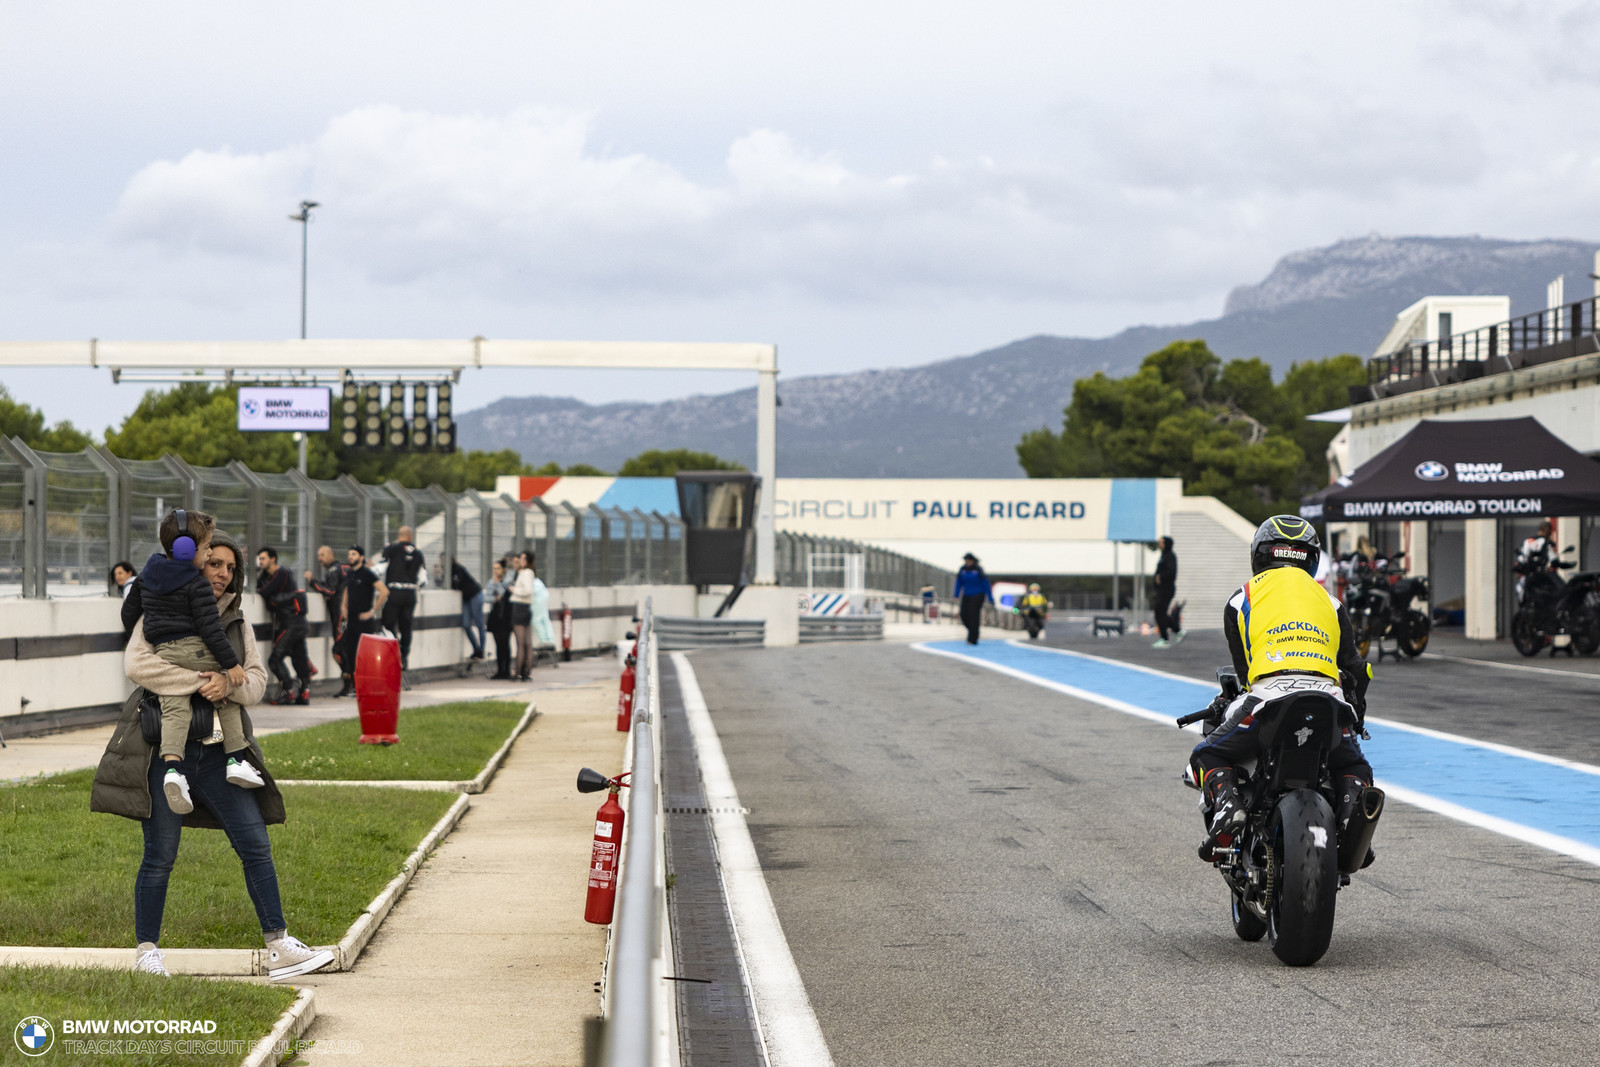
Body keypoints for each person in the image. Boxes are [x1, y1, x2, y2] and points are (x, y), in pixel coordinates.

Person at [91, 529, 336, 982]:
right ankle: (147, 954)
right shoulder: (159, 611)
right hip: (164, 757)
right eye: (214, 564)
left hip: (221, 755)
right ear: (196, 565)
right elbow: (137, 666)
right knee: (160, 855)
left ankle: (279, 945)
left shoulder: (238, 623)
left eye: (229, 567)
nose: (222, 574)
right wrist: (204, 679)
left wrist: (232, 685)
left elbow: (259, 681)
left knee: (256, 846)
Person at [1189, 515, 1377, 862]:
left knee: (1207, 754)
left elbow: (1246, 675)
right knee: (1356, 767)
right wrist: (1357, 719)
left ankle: (1229, 806)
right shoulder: (1331, 603)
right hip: (1329, 699)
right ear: (1312, 558)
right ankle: (1351, 820)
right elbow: (1356, 669)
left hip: (1268, 698)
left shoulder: (1241, 598)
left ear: (1259, 555)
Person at [119, 509, 256, 812]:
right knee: (225, 679)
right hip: (195, 649)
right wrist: (227, 670)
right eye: (210, 554)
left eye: (230, 567)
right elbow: (210, 632)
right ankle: (236, 758)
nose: (213, 563)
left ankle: (173, 769)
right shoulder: (196, 586)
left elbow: (127, 615)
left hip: (165, 649)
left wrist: (152, 621)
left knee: (175, 705)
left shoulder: (146, 578)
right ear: (185, 550)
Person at [257, 547, 313, 706]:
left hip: (292, 623)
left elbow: (266, 592)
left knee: (275, 660)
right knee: (299, 659)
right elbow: (265, 593)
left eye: (263, 558)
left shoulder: (283, 573)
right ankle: (303, 693)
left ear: (273, 559)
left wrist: (268, 594)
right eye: (259, 559)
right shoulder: (265, 576)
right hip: (293, 623)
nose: (260, 562)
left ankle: (289, 691)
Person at [338, 545, 388, 694]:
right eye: (349, 554)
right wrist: (343, 606)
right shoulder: (350, 574)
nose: (350, 557)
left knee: (363, 656)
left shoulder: (367, 574)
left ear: (361, 557)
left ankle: (364, 686)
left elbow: (384, 591)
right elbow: (347, 589)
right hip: (351, 620)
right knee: (343, 650)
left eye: (353, 554)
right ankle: (351, 685)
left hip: (364, 621)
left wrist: (372, 611)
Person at [380, 526, 425, 675]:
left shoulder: (391, 549)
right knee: (406, 626)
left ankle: (395, 649)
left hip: (394, 591)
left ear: (399, 535)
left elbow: (381, 567)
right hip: (410, 593)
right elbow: (423, 578)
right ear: (410, 536)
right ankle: (404, 657)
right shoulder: (418, 553)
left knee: (387, 624)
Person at [305, 544, 347, 683]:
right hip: (342, 616)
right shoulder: (338, 569)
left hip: (341, 616)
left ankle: (351, 683)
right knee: (343, 649)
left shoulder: (334, 570)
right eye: (318, 556)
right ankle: (351, 684)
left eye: (322, 555)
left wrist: (312, 581)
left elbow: (330, 591)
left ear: (331, 555)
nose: (319, 559)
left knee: (339, 650)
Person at [952, 552, 994, 645]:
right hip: (967, 595)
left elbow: (986, 584)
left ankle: (972, 639)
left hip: (978, 595)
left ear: (973, 561)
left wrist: (990, 598)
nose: (967, 562)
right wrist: (956, 595)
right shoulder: (963, 570)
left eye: (969, 560)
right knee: (964, 615)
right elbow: (959, 583)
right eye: (966, 560)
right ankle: (974, 631)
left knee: (973, 615)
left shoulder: (978, 570)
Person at [483, 558, 515, 680]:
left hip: (506, 615)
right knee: (497, 643)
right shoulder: (491, 582)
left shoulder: (508, 581)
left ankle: (507, 669)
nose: (496, 571)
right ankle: (499, 670)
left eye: (498, 568)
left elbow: (503, 594)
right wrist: (496, 592)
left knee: (505, 642)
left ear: (503, 569)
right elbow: (487, 598)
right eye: (494, 569)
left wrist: (498, 589)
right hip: (495, 615)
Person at [1151, 535, 1185, 648]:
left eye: (1161, 542)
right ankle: (1177, 631)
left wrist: (1160, 577)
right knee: (1160, 612)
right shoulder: (1163, 556)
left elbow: (1171, 572)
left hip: (1167, 589)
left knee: (1159, 611)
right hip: (1161, 589)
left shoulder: (1170, 556)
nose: (1159, 544)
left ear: (1166, 544)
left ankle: (1165, 639)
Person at [452, 559, 486, 662]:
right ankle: (476, 649)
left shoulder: (458, 569)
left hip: (475, 594)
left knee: (479, 622)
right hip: (466, 598)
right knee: (466, 624)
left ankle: (482, 651)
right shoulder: (448, 572)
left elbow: (456, 583)